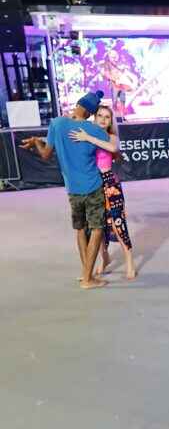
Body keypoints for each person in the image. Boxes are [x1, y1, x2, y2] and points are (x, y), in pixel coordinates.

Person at [20, 91, 110, 290]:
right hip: (93, 186)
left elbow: (45, 154)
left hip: (72, 190)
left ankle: (85, 272)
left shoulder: (57, 124)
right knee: (96, 229)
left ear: (78, 104)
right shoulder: (93, 130)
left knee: (79, 230)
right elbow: (113, 149)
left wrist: (36, 142)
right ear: (90, 111)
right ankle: (88, 279)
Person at [69, 105, 136, 280]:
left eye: (107, 117)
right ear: (94, 117)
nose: (103, 119)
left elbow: (113, 149)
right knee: (97, 225)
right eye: (100, 115)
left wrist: (88, 137)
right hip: (92, 184)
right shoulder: (86, 135)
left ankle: (129, 260)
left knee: (116, 222)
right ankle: (104, 258)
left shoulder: (111, 137)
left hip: (110, 183)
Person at [102, 49, 138, 121]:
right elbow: (106, 74)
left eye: (116, 56)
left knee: (122, 100)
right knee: (115, 102)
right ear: (109, 57)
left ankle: (122, 116)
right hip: (114, 85)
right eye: (113, 56)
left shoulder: (120, 65)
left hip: (122, 86)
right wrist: (115, 80)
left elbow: (126, 74)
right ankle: (115, 117)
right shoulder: (107, 65)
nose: (115, 58)